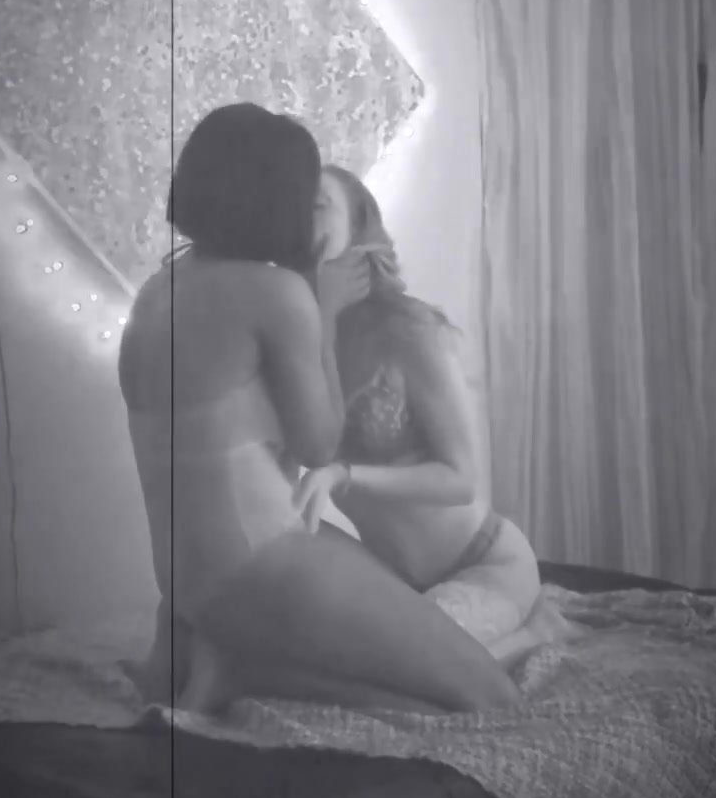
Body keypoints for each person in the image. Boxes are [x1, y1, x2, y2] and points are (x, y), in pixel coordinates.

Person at [118, 104, 520, 715]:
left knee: (423, 663)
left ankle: (233, 662)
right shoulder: (274, 293)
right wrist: (324, 312)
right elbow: (318, 446)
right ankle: (247, 675)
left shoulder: (157, 290)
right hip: (257, 559)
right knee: (492, 698)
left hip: (180, 579)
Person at [304, 165, 566, 662]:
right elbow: (309, 443)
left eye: (317, 206)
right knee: (332, 657)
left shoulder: (409, 330)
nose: (299, 219)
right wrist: (323, 316)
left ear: (357, 228)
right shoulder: (301, 339)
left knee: (408, 668)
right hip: (398, 580)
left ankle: (538, 634)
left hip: (484, 565)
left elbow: (461, 481)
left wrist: (345, 474)